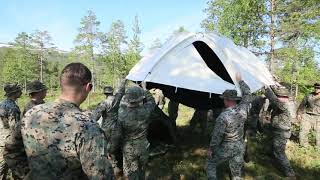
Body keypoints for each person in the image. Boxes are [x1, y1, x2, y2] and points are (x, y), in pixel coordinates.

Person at [21, 63, 114, 179]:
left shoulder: (31, 113)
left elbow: (11, 151)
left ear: (61, 85)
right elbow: (101, 176)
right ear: (89, 87)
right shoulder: (87, 127)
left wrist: (28, 175)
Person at [206, 73, 252, 180]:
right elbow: (247, 94)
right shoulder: (243, 109)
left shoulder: (223, 117)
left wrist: (211, 149)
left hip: (227, 147)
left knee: (210, 163)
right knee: (236, 173)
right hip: (240, 147)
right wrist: (240, 80)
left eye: (224, 99)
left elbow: (216, 137)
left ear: (227, 100)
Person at [117, 83, 156, 179]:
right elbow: (152, 101)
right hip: (143, 146)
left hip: (128, 148)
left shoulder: (121, 113)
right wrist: (145, 89)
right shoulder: (146, 110)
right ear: (140, 98)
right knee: (142, 170)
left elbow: (118, 133)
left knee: (130, 173)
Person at [91, 81, 126, 177]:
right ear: (112, 91)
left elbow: (94, 117)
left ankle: (114, 169)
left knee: (109, 150)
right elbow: (121, 91)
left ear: (105, 93)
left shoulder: (104, 103)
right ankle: (122, 167)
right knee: (119, 147)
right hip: (119, 127)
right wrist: (123, 82)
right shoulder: (118, 99)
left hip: (107, 129)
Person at [263, 86, 296, 178]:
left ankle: (290, 173)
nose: (277, 97)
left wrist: (266, 89)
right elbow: (272, 105)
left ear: (284, 97)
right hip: (276, 129)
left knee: (279, 152)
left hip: (282, 132)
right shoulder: (280, 103)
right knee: (271, 145)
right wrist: (268, 114)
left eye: (278, 96)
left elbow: (274, 100)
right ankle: (270, 158)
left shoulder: (285, 105)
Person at [0, 83, 23, 179]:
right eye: (19, 90)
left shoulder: (2, 103)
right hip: (7, 141)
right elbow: (14, 128)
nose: (21, 92)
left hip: (1, 138)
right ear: (14, 93)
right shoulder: (12, 107)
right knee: (7, 166)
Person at [297, 83, 320, 147]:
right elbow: (302, 105)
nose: (316, 89)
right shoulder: (308, 96)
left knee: (319, 134)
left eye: (318, 88)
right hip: (307, 115)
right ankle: (303, 146)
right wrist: (299, 114)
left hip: (318, 117)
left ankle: (318, 148)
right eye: (315, 87)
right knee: (303, 131)